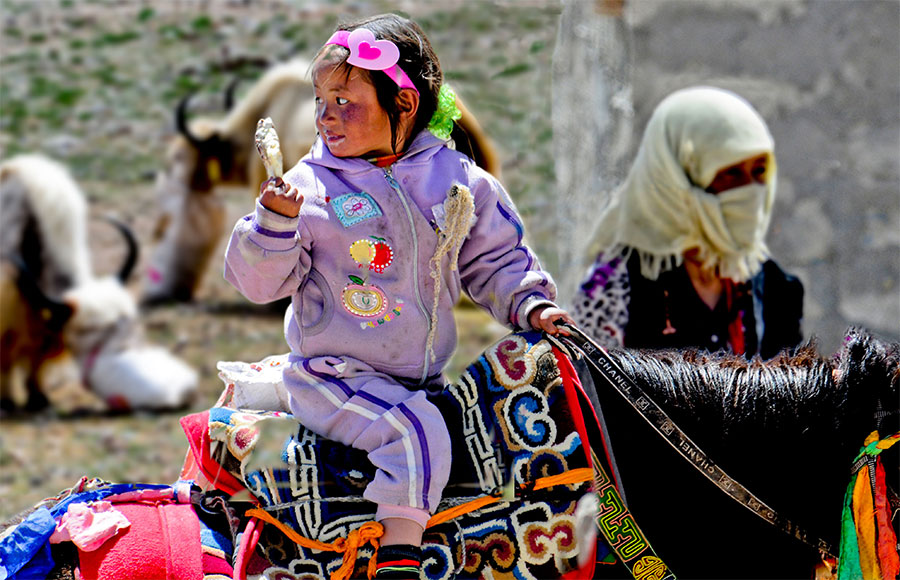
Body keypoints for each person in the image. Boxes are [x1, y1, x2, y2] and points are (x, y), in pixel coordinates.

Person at [224, 14, 573, 579]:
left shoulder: (457, 182)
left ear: (404, 107)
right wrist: (271, 224)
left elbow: (495, 260)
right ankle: (399, 561)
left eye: (346, 101)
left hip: (421, 380)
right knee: (415, 434)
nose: (325, 115)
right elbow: (258, 284)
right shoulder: (310, 190)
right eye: (321, 99)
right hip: (332, 376)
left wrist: (531, 304)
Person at [571, 86, 804, 360]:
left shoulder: (775, 288)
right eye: (730, 173)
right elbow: (587, 390)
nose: (750, 190)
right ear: (678, 177)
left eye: (759, 172)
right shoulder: (616, 285)